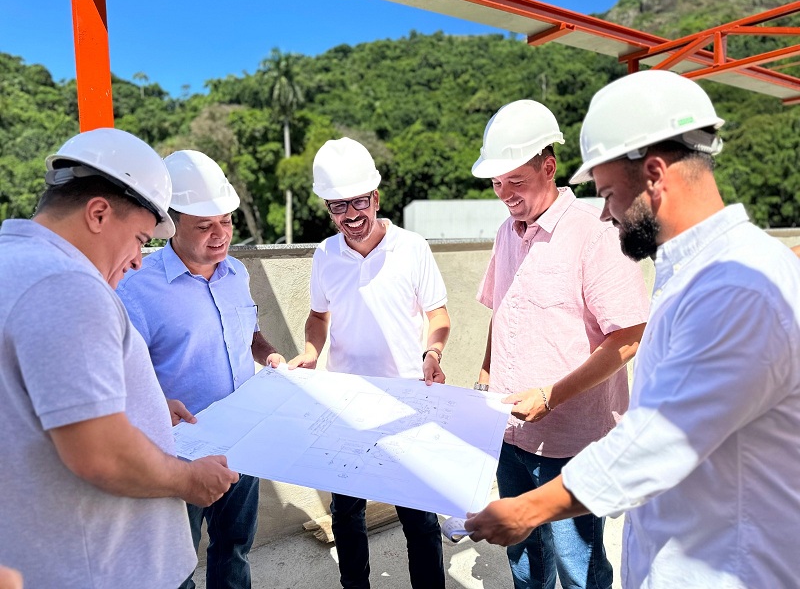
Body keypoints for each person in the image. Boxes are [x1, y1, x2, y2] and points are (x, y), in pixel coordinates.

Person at [465, 70, 800, 588]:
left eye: (607, 193)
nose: (605, 212)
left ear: (654, 173)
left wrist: (526, 510)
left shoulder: (736, 288)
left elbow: (656, 443)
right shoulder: (695, 272)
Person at [0, 128, 238, 588]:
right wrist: (190, 480)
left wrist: (143, 407)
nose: (138, 261)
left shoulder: (16, 262)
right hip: (111, 572)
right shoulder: (65, 284)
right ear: (99, 213)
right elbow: (100, 453)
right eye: (139, 239)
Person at [470, 100, 649, 589]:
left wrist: (551, 395)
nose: (503, 194)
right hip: (510, 434)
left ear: (548, 167)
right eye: (496, 182)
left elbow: (628, 339)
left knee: (579, 568)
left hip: (573, 445)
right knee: (525, 563)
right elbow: (500, 309)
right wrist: (486, 372)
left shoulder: (597, 235)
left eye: (515, 181)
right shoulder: (507, 232)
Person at [287, 137, 451, 589]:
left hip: (405, 401)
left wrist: (432, 354)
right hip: (348, 402)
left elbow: (438, 314)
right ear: (327, 207)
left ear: (376, 197)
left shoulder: (412, 248)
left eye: (359, 201)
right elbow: (319, 316)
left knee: (418, 517)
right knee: (346, 514)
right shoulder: (325, 255)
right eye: (338, 206)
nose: (351, 214)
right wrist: (311, 353)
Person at [117, 149, 284, 589]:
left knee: (234, 549)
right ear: (170, 226)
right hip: (177, 454)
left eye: (226, 221)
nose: (220, 235)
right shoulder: (135, 284)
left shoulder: (237, 274)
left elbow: (249, 333)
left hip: (241, 444)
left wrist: (268, 355)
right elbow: (118, 371)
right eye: (205, 225)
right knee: (175, 569)